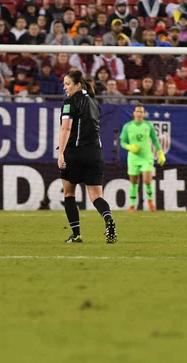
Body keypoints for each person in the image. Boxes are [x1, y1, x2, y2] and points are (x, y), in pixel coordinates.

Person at [57, 70, 117, 244]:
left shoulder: (69, 102)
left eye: (67, 83)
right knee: (97, 196)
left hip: (75, 154)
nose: (64, 87)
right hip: (95, 154)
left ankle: (76, 235)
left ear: (77, 85)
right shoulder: (94, 102)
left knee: (69, 194)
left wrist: (60, 153)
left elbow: (66, 129)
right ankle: (108, 219)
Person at [120, 105, 166, 212]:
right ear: (134, 113)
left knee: (147, 180)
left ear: (144, 114)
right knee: (133, 181)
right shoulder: (128, 126)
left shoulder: (148, 125)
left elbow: (155, 140)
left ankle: (150, 201)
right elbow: (122, 142)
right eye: (138, 111)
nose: (140, 114)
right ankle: (132, 205)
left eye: (141, 112)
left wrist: (160, 153)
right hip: (133, 157)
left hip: (146, 157)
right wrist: (129, 147)